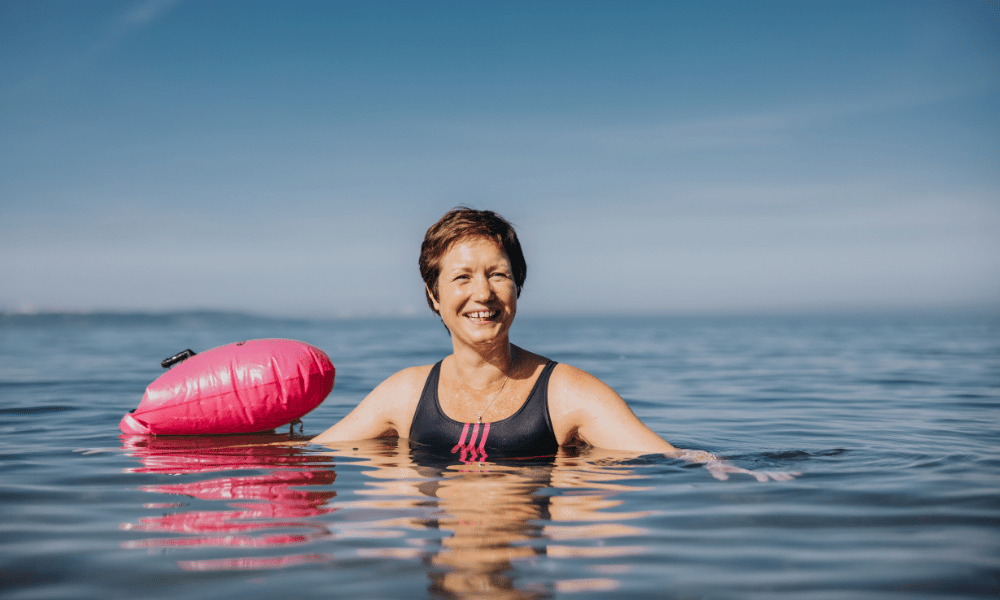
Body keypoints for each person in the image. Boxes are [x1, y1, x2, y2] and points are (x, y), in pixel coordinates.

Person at [313, 208, 792, 481]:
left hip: (528, 549)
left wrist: (729, 467)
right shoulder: (405, 393)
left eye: (498, 274)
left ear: (518, 286)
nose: (482, 293)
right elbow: (313, 453)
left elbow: (662, 456)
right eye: (462, 277)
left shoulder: (567, 394)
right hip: (441, 557)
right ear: (434, 296)